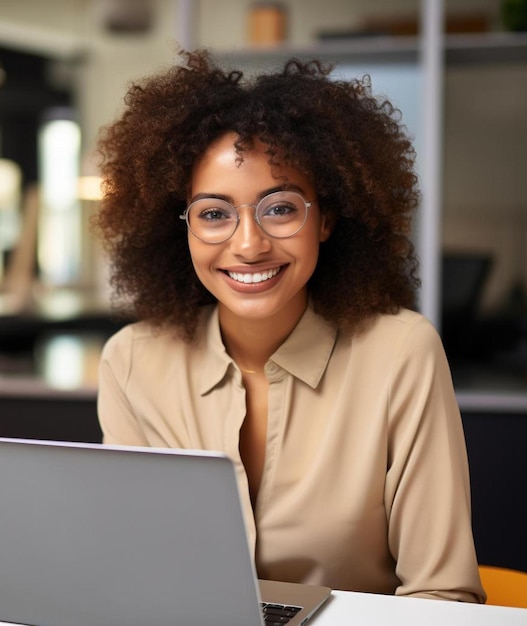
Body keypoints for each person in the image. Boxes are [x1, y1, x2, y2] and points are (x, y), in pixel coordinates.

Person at [94, 49, 485, 603]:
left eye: (279, 209)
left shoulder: (401, 352)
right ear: (178, 228)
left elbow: (442, 596)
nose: (248, 245)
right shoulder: (132, 361)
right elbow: (132, 568)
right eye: (213, 213)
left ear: (325, 218)